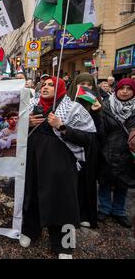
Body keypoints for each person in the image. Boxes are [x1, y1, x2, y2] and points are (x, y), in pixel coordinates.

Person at [20, 77, 96, 259]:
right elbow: (13, 129)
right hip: (32, 160)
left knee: (63, 201)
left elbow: (88, 139)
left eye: (51, 85)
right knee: (32, 195)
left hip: (60, 163)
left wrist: (62, 126)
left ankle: (64, 245)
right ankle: (31, 230)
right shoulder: (29, 105)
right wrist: (26, 123)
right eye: (44, 85)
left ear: (61, 88)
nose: (45, 87)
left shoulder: (74, 108)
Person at [67, 73, 103, 229]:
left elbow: (99, 132)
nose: (85, 87)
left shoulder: (99, 103)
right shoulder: (67, 102)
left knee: (86, 181)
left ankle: (85, 214)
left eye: (89, 84)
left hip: (88, 150)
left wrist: (96, 113)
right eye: (82, 84)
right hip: (69, 146)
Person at [97, 78, 135, 228]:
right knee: (105, 181)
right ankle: (104, 208)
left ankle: (119, 211)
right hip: (107, 150)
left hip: (127, 152)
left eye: (129, 89)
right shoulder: (106, 106)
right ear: (116, 89)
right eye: (122, 88)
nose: (124, 91)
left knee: (123, 182)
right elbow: (100, 129)